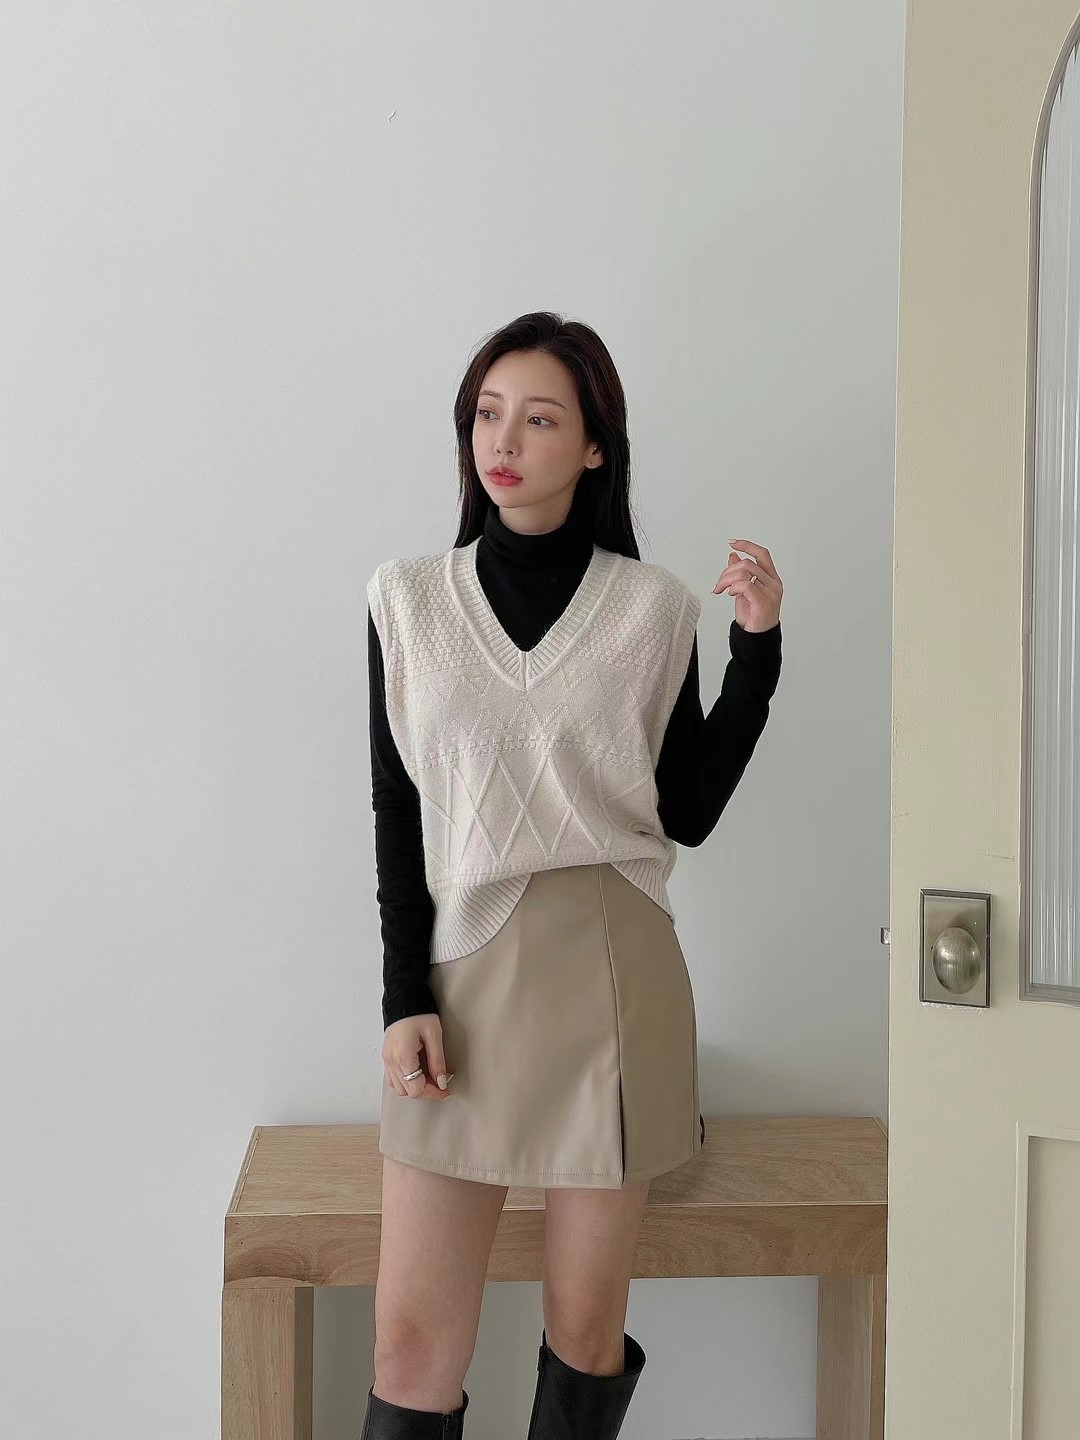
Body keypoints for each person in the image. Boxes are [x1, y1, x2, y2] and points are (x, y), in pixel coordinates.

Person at [361, 311, 783, 1439]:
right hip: (461, 982)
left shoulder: (652, 609)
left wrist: (755, 657)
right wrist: (402, 995)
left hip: (613, 975)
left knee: (584, 1335)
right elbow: (398, 809)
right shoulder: (407, 601)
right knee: (411, 1345)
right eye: (487, 414)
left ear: (595, 447)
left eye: (540, 419)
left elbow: (685, 810)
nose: (504, 441)